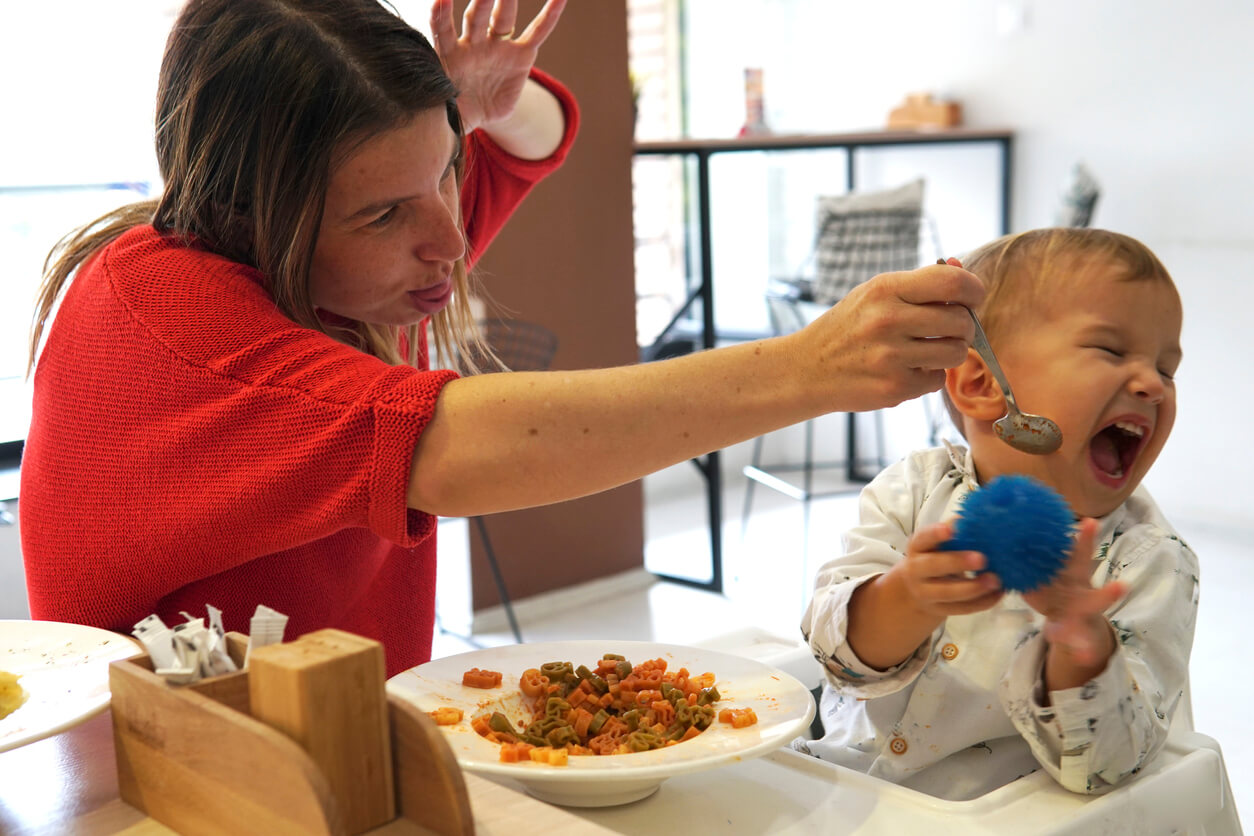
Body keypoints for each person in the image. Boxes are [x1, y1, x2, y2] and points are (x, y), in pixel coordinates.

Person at [21, 0, 985, 679]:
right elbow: (443, 446)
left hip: (338, 748)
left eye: (444, 172)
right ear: (255, 210)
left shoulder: (345, 256)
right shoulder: (166, 319)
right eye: (387, 212)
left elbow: (539, 131)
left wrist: (471, 107)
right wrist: (808, 368)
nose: (449, 241)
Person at [796, 228, 1198, 798]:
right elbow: (838, 660)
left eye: (1167, 368)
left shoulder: (1151, 560)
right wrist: (909, 596)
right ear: (983, 384)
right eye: (1111, 350)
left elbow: (1109, 768)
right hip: (844, 790)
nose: (1153, 385)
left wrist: (1081, 646)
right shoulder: (912, 491)